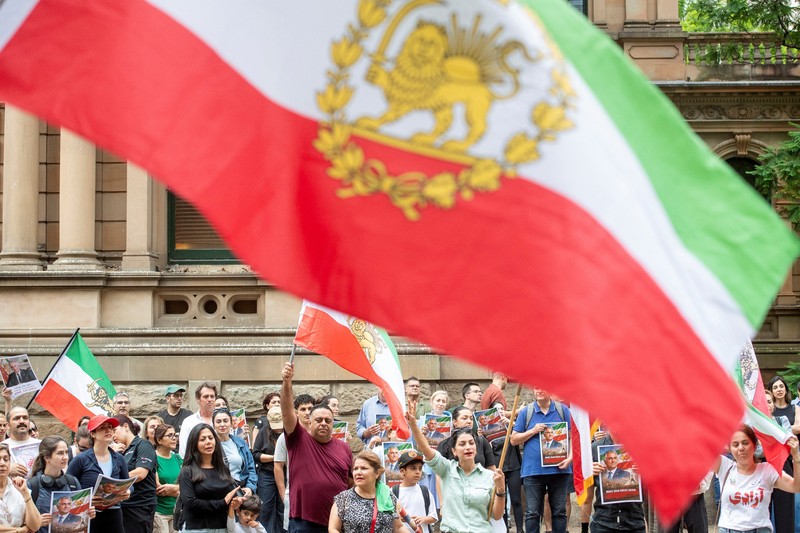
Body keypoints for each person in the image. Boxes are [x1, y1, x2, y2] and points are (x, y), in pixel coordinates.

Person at [405, 400, 505, 532]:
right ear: (454, 451)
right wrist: (413, 425)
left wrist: (501, 489)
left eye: (471, 443)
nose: (468, 447)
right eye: (462, 444)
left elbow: (496, 515)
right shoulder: (447, 469)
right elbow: (425, 449)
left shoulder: (490, 476)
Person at [281, 362, 352, 532]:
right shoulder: (298, 439)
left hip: (336, 523)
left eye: (328, 420)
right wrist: (286, 382)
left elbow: (351, 482)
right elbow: (286, 411)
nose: (323, 424)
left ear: (333, 424)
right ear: (309, 422)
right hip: (304, 522)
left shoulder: (344, 448)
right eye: (318, 420)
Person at [715, 425, 800, 533]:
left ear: (755, 445)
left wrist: (797, 458)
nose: (741, 448)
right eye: (735, 445)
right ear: (730, 449)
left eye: (745, 443)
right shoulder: (724, 466)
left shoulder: (767, 470)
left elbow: (796, 487)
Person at [511, 387, 572, 533]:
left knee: (559, 512)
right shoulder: (527, 412)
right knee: (532, 513)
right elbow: (513, 440)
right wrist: (533, 431)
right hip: (533, 472)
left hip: (559, 470)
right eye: (535, 387)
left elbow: (572, 438)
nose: (538, 390)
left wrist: (570, 458)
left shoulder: (562, 410)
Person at [67, 415, 130, 531]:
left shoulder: (119, 458)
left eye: (110, 427)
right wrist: (87, 499)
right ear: (93, 433)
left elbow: (129, 483)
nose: (108, 430)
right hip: (89, 513)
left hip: (114, 513)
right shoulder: (81, 459)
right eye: (102, 427)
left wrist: (127, 492)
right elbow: (67, 486)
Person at [178, 423, 240, 532]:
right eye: (202, 439)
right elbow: (190, 503)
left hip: (223, 527)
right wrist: (222, 503)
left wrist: (236, 501)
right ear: (194, 444)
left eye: (211, 438)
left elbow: (229, 497)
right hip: (197, 528)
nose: (208, 442)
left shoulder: (223, 468)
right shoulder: (187, 471)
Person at [328, 450, 402, 533]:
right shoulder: (343, 499)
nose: (358, 472)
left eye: (364, 468)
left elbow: (398, 527)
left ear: (377, 473)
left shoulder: (387, 496)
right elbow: (333, 529)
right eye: (355, 469)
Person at [274, 393, 315, 533]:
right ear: (296, 412)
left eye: (310, 408)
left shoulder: (322, 434)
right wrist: (283, 493)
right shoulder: (285, 437)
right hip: (294, 495)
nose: (307, 412)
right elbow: (278, 465)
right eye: (303, 409)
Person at [28, 436, 87, 533]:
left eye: (66, 452)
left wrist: (87, 514)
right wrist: (36, 522)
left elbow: (79, 517)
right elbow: (23, 521)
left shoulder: (73, 482)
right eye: (60, 453)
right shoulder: (32, 485)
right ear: (47, 457)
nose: (65, 457)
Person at [589, 431, 645, 533]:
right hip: (603, 522)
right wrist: (588, 472)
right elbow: (586, 496)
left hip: (634, 521)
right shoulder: (594, 448)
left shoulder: (641, 445)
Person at [113, 414, 158, 533]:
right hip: (123, 505)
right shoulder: (119, 451)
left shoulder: (143, 445)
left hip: (140, 506)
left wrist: (115, 483)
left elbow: (141, 473)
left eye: (114, 430)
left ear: (126, 426)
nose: (113, 435)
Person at [767, 376, 799, 533]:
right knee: (762, 510)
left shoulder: (786, 416)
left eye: (781, 386)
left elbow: (789, 436)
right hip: (763, 465)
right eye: (775, 387)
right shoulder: (756, 421)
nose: (779, 389)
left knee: (785, 510)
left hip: (784, 463)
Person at [251, 406, 283, 533]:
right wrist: (275, 458)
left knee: (283, 506)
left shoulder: (290, 430)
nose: (278, 428)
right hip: (267, 474)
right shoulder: (263, 431)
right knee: (265, 508)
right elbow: (256, 454)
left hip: (285, 474)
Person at [212, 408, 257, 495]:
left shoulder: (241, 443)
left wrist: (250, 488)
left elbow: (251, 468)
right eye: (218, 421)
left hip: (240, 488)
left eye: (225, 421)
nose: (222, 424)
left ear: (231, 423)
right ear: (213, 425)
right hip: (219, 492)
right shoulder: (210, 445)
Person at [0, 441, 42, 533]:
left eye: (6, 459)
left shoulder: (18, 487)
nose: (2, 463)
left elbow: (35, 526)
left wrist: (26, 494)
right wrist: (20, 530)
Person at [393, 451, 437, 533]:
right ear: (402, 471)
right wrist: (400, 518)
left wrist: (423, 519)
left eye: (420, 468)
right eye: (413, 468)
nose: (417, 472)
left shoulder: (425, 491)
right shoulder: (393, 492)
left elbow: (433, 517)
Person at [153, 423, 181, 533]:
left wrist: (172, 489)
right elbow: (159, 489)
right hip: (160, 512)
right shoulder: (153, 458)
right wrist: (179, 490)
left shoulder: (178, 458)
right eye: (169, 435)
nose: (174, 438)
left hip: (176, 511)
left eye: (175, 435)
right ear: (159, 440)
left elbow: (188, 484)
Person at [179, 381, 218, 455]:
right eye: (206, 396)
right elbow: (183, 451)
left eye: (212, 396)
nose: (209, 399)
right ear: (198, 400)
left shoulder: (222, 421)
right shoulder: (189, 422)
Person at [4, 406, 41, 478]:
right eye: (16, 418)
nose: (22, 421)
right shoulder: (2, 446)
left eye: (25, 418)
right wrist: (6, 470)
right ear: (8, 425)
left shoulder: (42, 445)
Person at [156, 385, 193, 454]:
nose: (179, 398)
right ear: (168, 398)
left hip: (184, 455)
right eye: (175, 396)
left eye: (181, 396)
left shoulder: (188, 416)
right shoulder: (160, 417)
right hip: (164, 454)